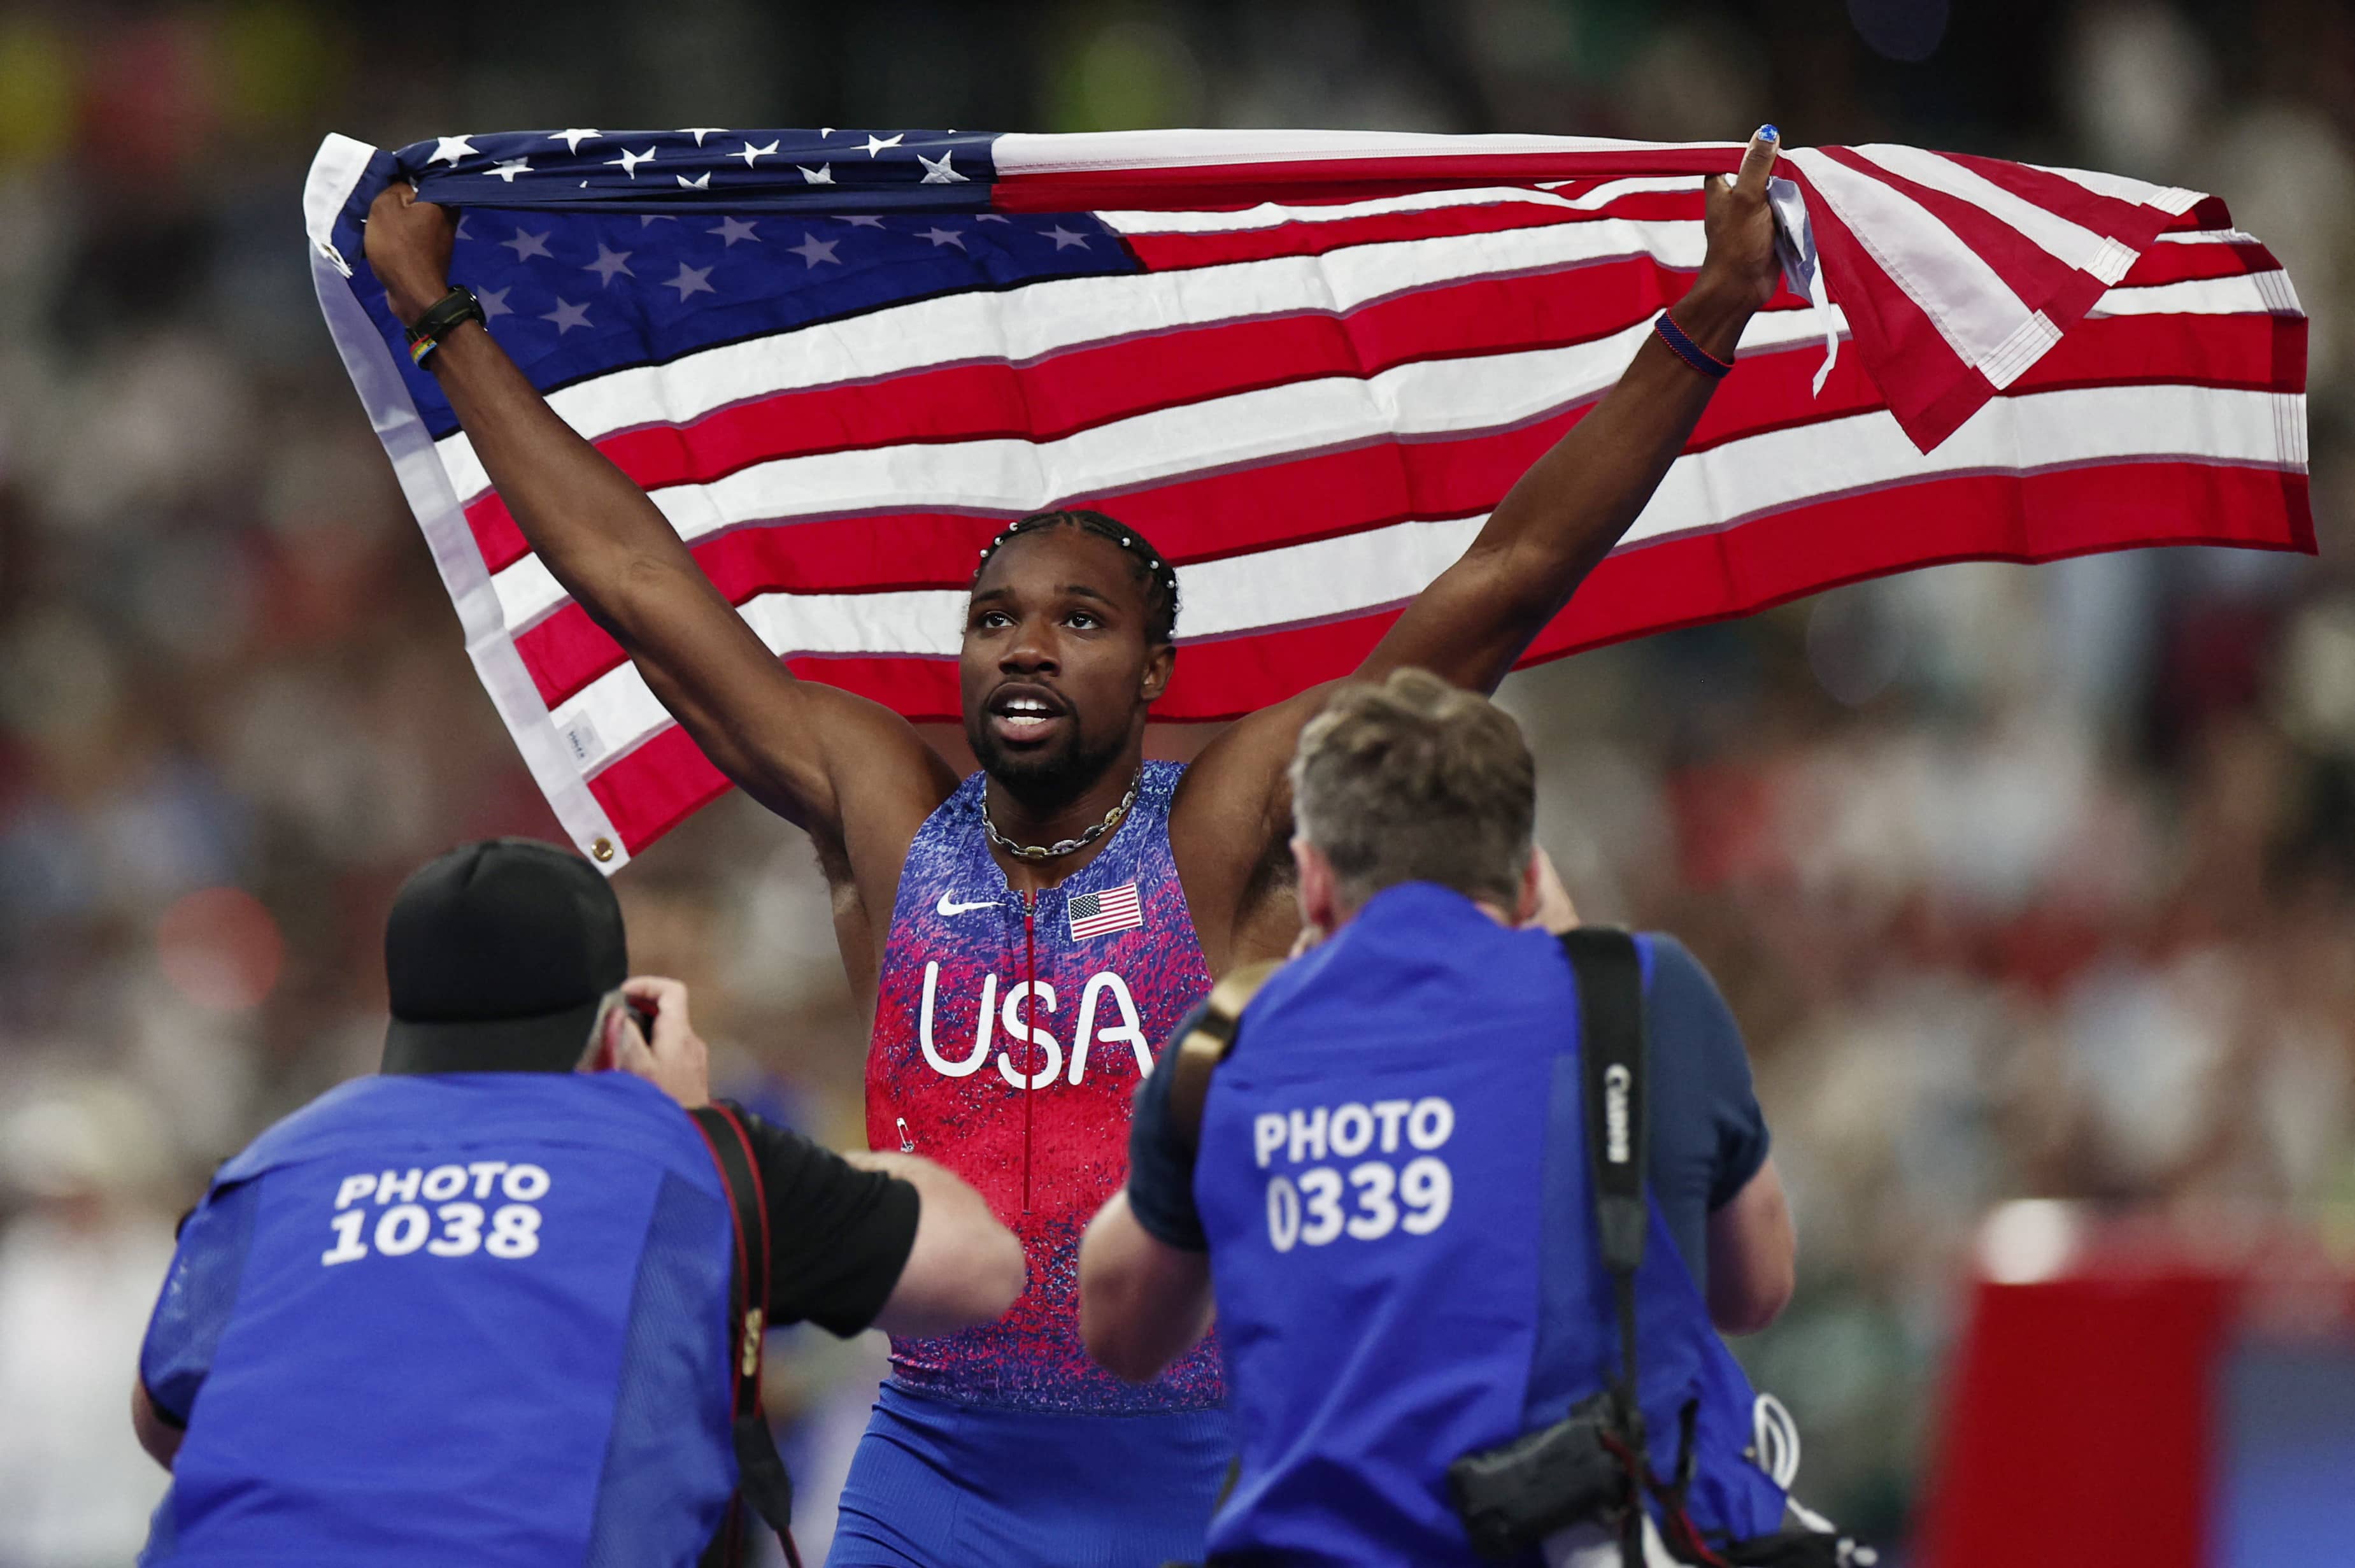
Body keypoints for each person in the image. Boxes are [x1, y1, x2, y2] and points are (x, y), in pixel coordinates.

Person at [358, 124, 1789, 1567]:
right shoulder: (884, 809)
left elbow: (1503, 579)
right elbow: (633, 578)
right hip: (936, 1470)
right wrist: (444, 321)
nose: (1025, 649)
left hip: (1205, 1467)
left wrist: (1705, 320)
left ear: (1155, 673)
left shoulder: (1224, 826)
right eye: (995, 621)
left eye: (1078, 622)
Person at [130, 838, 1023, 1567]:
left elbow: (166, 1420)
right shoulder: (687, 1157)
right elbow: (980, 1266)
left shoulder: (274, 1162)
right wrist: (693, 1117)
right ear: (620, 1021)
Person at [1078, 669, 1802, 1565]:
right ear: (1530, 875)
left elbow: (1121, 1332)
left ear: (1312, 883)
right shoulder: (1645, 996)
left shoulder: (1221, 1048)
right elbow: (1756, 1286)